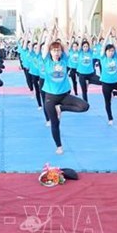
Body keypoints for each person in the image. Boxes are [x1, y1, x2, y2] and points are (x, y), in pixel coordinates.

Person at [40, 24, 90, 155]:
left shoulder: (65, 60)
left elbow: (66, 45)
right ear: (50, 52)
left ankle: (61, 108)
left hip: (64, 96)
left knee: (84, 106)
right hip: (50, 97)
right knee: (55, 123)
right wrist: (51, 31)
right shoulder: (47, 61)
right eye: (54, 50)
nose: (56, 52)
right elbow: (46, 45)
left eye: (58, 50)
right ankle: (59, 146)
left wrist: (60, 31)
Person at [99, 27, 117, 125]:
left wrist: (115, 36)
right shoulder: (103, 58)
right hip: (106, 83)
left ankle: (115, 94)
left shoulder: (116, 58)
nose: (111, 52)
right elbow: (104, 45)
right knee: (107, 102)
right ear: (106, 52)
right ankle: (110, 118)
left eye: (112, 51)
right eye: (109, 51)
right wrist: (108, 33)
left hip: (116, 82)